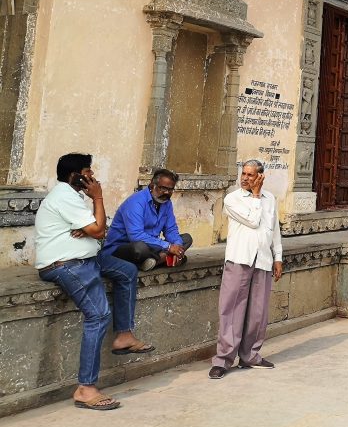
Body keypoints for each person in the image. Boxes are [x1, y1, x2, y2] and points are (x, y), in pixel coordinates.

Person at [34, 153, 154, 411]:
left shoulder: (74, 197)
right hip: (66, 263)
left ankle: (124, 335)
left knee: (126, 271)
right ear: (73, 176)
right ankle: (85, 388)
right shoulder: (64, 195)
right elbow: (99, 230)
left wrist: (91, 228)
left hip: (87, 257)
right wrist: (98, 199)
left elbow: (98, 230)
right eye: (87, 172)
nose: (92, 177)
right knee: (98, 315)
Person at [210, 159, 284, 379]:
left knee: (258, 313)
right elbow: (252, 220)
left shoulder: (270, 199)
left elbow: (274, 230)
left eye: (251, 175)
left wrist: (278, 257)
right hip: (239, 259)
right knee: (231, 310)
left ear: (261, 176)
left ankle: (251, 356)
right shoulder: (232, 199)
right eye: (244, 173)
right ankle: (223, 360)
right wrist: (255, 196)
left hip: (262, 260)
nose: (245, 178)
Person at [101, 168, 192, 270]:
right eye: (163, 188)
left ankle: (153, 261)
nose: (167, 192)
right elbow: (136, 236)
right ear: (152, 184)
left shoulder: (167, 203)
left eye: (170, 189)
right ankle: (163, 259)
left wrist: (178, 248)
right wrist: (169, 247)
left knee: (186, 239)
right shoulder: (136, 202)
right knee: (139, 248)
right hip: (124, 247)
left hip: (152, 245)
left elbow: (171, 229)